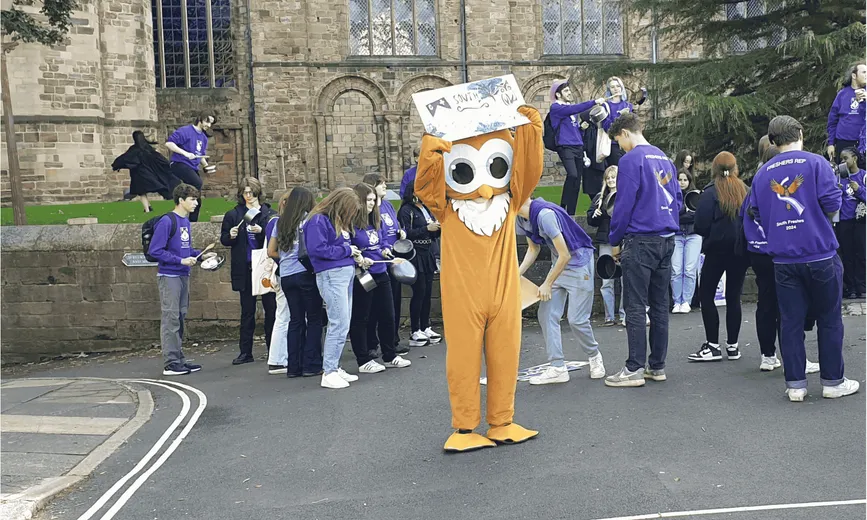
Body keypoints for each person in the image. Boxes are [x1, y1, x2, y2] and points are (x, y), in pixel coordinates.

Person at [749, 115, 858, 401]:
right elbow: (833, 203)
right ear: (800, 133)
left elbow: (757, 213)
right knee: (829, 318)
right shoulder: (816, 163)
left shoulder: (761, 174)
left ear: (772, 141)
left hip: (783, 260)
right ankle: (833, 381)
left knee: (790, 322)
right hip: (820, 253)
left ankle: (795, 384)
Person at [603, 113, 681, 388]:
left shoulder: (630, 160)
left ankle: (633, 367)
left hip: (641, 238)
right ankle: (656, 365)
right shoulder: (664, 157)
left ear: (625, 133)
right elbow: (678, 199)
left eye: (618, 141)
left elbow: (623, 205)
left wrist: (615, 240)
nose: (619, 147)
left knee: (634, 305)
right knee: (660, 304)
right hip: (667, 237)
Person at [740, 143, 821, 374]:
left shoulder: (756, 181)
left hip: (757, 250)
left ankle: (767, 355)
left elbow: (747, 214)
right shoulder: (771, 182)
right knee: (790, 306)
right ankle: (796, 359)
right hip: (779, 251)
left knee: (765, 303)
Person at [517, 197, 605, 384]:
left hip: (579, 264)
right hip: (559, 265)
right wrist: (516, 274)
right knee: (547, 314)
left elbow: (565, 255)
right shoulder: (521, 218)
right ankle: (557, 367)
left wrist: (547, 283)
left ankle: (594, 356)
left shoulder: (545, 215)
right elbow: (533, 248)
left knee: (577, 320)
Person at [688, 153, 750, 362]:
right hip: (740, 251)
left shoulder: (710, 192)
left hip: (716, 251)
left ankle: (712, 345)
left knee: (706, 295)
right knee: (734, 298)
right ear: (735, 168)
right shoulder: (745, 190)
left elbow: (700, 225)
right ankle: (732, 346)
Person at [347, 183, 412, 374]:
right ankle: (363, 358)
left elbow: (382, 239)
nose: (371, 204)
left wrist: (385, 249)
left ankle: (390, 355)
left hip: (380, 270)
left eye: (373, 200)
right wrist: (359, 258)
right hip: (363, 274)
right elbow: (348, 245)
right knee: (362, 316)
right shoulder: (350, 223)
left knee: (388, 315)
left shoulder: (375, 220)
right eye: (368, 200)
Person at [303, 187, 365, 389]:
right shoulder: (318, 220)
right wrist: (347, 250)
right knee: (338, 323)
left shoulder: (331, 220)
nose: (350, 215)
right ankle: (329, 371)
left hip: (342, 273)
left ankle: (334, 367)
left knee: (342, 323)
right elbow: (317, 249)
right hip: (331, 274)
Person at [220, 177, 278, 366]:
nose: (248, 196)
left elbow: (277, 238)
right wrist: (231, 236)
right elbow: (224, 239)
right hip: (245, 267)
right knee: (247, 312)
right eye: (245, 193)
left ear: (258, 193)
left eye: (252, 193)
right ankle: (246, 352)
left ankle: (273, 350)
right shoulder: (234, 215)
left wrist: (262, 231)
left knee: (272, 309)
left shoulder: (268, 214)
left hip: (265, 267)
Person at [147, 183, 203, 376]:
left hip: (182, 274)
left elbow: (185, 250)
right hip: (169, 275)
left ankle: (179, 359)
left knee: (180, 317)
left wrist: (201, 255)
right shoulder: (167, 221)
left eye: (196, 199)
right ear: (181, 200)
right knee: (170, 318)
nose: (196, 203)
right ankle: (170, 363)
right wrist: (180, 260)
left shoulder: (185, 222)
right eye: (192, 199)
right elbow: (155, 250)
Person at [275, 187, 323, 378]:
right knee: (314, 318)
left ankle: (293, 366)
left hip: (286, 275)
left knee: (295, 320)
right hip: (304, 273)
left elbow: (274, 249)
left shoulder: (281, 221)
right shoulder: (308, 220)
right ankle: (311, 364)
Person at [362, 173, 410, 357]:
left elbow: (395, 226)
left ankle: (392, 340)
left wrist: (401, 232)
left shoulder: (388, 205)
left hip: (391, 258)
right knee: (373, 306)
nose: (385, 186)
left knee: (392, 303)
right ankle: (371, 343)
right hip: (373, 264)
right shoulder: (369, 212)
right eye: (381, 184)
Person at [547, 80, 606, 215]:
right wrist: (594, 102)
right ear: (558, 94)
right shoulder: (556, 108)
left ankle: (571, 212)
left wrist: (581, 129)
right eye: (566, 91)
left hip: (578, 146)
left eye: (569, 90)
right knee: (572, 175)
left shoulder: (570, 111)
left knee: (577, 180)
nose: (569, 93)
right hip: (565, 146)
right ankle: (563, 206)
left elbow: (575, 131)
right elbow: (573, 109)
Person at [397, 181, 442, 347]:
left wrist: (437, 228)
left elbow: (432, 231)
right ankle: (415, 329)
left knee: (428, 291)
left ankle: (425, 325)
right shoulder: (406, 210)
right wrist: (426, 229)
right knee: (419, 291)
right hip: (415, 253)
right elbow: (405, 233)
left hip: (428, 251)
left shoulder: (425, 209)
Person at [587, 166, 625, 326]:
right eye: (608, 178)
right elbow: (591, 219)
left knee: (625, 280)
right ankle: (609, 316)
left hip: (623, 240)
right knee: (607, 279)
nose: (610, 180)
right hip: (606, 240)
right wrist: (595, 215)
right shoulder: (599, 197)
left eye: (613, 177)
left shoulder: (625, 195)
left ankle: (625, 314)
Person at [165, 113, 214, 222]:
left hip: (192, 167)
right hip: (178, 164)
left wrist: (206, 166)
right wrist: (185, 153)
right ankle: (182, 201)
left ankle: (192, 223)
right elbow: (169, 144)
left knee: (197, 199)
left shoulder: (204, 138)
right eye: (207, 121)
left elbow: (200, 155)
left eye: (211, 123)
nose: (209, 125)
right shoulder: (185, 131)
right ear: (200, 119)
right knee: (197, 184)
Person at [112, 131, 173, 213]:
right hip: (148, 173)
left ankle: (147, 209)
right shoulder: (148, 148)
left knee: (141, 192)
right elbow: (159, 158)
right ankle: (148, 207)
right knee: (149, 189)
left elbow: (125, 158)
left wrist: (116, 165)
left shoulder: (134, 149)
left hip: (138, 175)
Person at [265, 192, 291, 374]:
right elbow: (271, 251)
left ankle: (280, 357)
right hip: (284, 272)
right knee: (283, 316)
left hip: (282, 271)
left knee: (284, 316)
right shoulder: (278, 222)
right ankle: (277, 360)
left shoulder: (275, 222)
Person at [835, 147, 866, 298]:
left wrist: (859, 190)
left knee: (861, 253)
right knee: (847, 254)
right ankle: (851, 288)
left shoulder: (863, 176)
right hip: (845, 220)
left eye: (845, 158)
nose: (843, 162)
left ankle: (862, 286)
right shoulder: (840, 178)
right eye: (841, 159)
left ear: (854, 158)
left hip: (860, 221)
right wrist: (837, 191)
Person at [671, 169, 702, 313]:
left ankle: (686, 301)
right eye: (679, 179)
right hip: (676, 235)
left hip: (693, 235)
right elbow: (672, 216)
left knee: (690, 269)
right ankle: (677, 301)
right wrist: (685, 213)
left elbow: (697, 216)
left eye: (685, 180)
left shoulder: (695, 195)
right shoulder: (671, 194)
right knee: (676, 269)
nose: (682, 182)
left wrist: (681, 214)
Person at [827, 63, 866, 167]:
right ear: (854, 76)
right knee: (845, 177)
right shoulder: (842, 94)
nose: (866, 75)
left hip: (864, 144)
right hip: (844, 143)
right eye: (864, 72)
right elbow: (832, 121)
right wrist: (831, 143)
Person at [600, 77, 634, 167]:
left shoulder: (628, 105)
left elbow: (632, 126)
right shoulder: (605, 106)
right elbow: (607, 127)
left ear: (622, 88)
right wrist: (620, 116)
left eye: (618, 86)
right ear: (609, 90)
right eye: (612, 87)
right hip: (613, 144)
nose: (616, 89)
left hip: (627, 144)